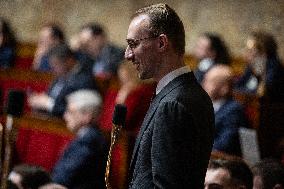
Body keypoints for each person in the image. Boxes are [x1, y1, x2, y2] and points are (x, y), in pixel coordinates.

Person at [124, 3, 214, 188]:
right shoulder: (191, 93)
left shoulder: (173, 104)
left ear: (161, 43)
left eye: (134, 44)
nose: (128, 54)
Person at [98, 61, 155, 188]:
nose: (121, 81)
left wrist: (122, 98)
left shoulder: (138, 92)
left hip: (130, 145)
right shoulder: (144, 89)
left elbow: (116, 124)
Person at [52, 89, 108, 189]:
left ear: (87, 116)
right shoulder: (89, 136)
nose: (65, 116)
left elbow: (63, 177)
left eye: (70, 111)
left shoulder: (89, 141)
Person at [28, 44, 97, 117]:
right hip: (46, 118)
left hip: (62, 124)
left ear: (69, 61)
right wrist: (39, 100)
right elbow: (49, 96)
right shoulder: (60, 75)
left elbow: (78, 112)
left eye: (56, 65)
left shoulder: (84, 80)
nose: (53, 69)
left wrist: (48, 104)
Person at [202, 65, 250, 156]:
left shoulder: (234, 111)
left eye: (210, 82)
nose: (203, 84)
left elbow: (224, 145)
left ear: (224, 88)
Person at [235, 31, 284, 102]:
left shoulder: (274, 67)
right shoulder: (252, 65)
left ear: (263, 52)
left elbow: (262, 93)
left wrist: (244, 91)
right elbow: (237, 86)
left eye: (250, 50)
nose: (246, 53)